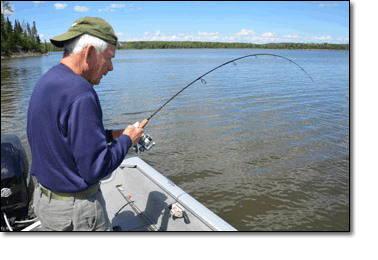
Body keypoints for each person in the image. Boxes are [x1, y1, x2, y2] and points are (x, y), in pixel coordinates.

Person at [27, 17, 145, 231]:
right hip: (76, 213)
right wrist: (128, 140)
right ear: (90, 52)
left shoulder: (46, 81)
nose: (111, 67)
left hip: (45, 203)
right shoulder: (81, 93)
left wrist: (114, 135)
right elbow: (95, 169)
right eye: (109, 58)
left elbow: (62, 137)